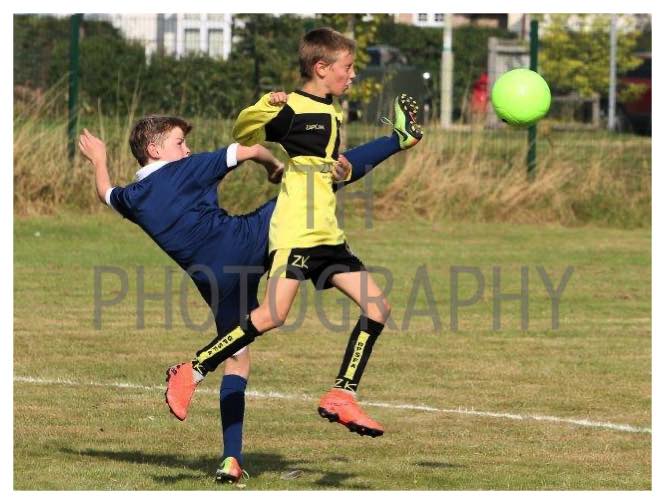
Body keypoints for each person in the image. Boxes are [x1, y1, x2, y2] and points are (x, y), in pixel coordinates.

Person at [79, 98, 421, 482]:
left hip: (213, 280)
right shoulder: (186, 169)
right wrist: (273, 166)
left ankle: (231, 459)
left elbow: (105, 192)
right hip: (244, 243)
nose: (187, 149)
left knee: (238, 359)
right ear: (155, 150)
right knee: (319, 181)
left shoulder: (132, 197)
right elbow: (250, 148)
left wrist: (99, 160)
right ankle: (398, 140)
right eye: (179, 142)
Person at [165, 26, 424, 478]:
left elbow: (337, 169)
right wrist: (266, 105)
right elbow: (244, 130)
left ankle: (342, 393)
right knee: (272, 315)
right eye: (347, 67)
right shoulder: (295, 109)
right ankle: (193, 370)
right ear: (321, 68)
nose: (353, 74)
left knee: (377, 306)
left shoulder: (331, 111)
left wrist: (389, 145)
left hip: (326, 233)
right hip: (298, 230)